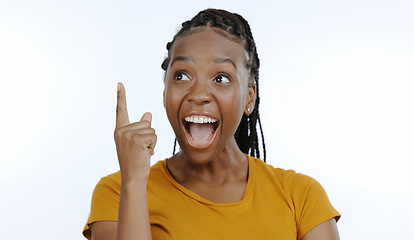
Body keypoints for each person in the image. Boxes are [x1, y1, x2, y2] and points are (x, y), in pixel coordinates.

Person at [83, 8, 340, 240]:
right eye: (181, 75)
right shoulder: (118, 192)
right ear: (165, 93)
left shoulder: (302, 197)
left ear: (249, 96)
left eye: (221, 78)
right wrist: (135, 183)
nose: (199, 94)